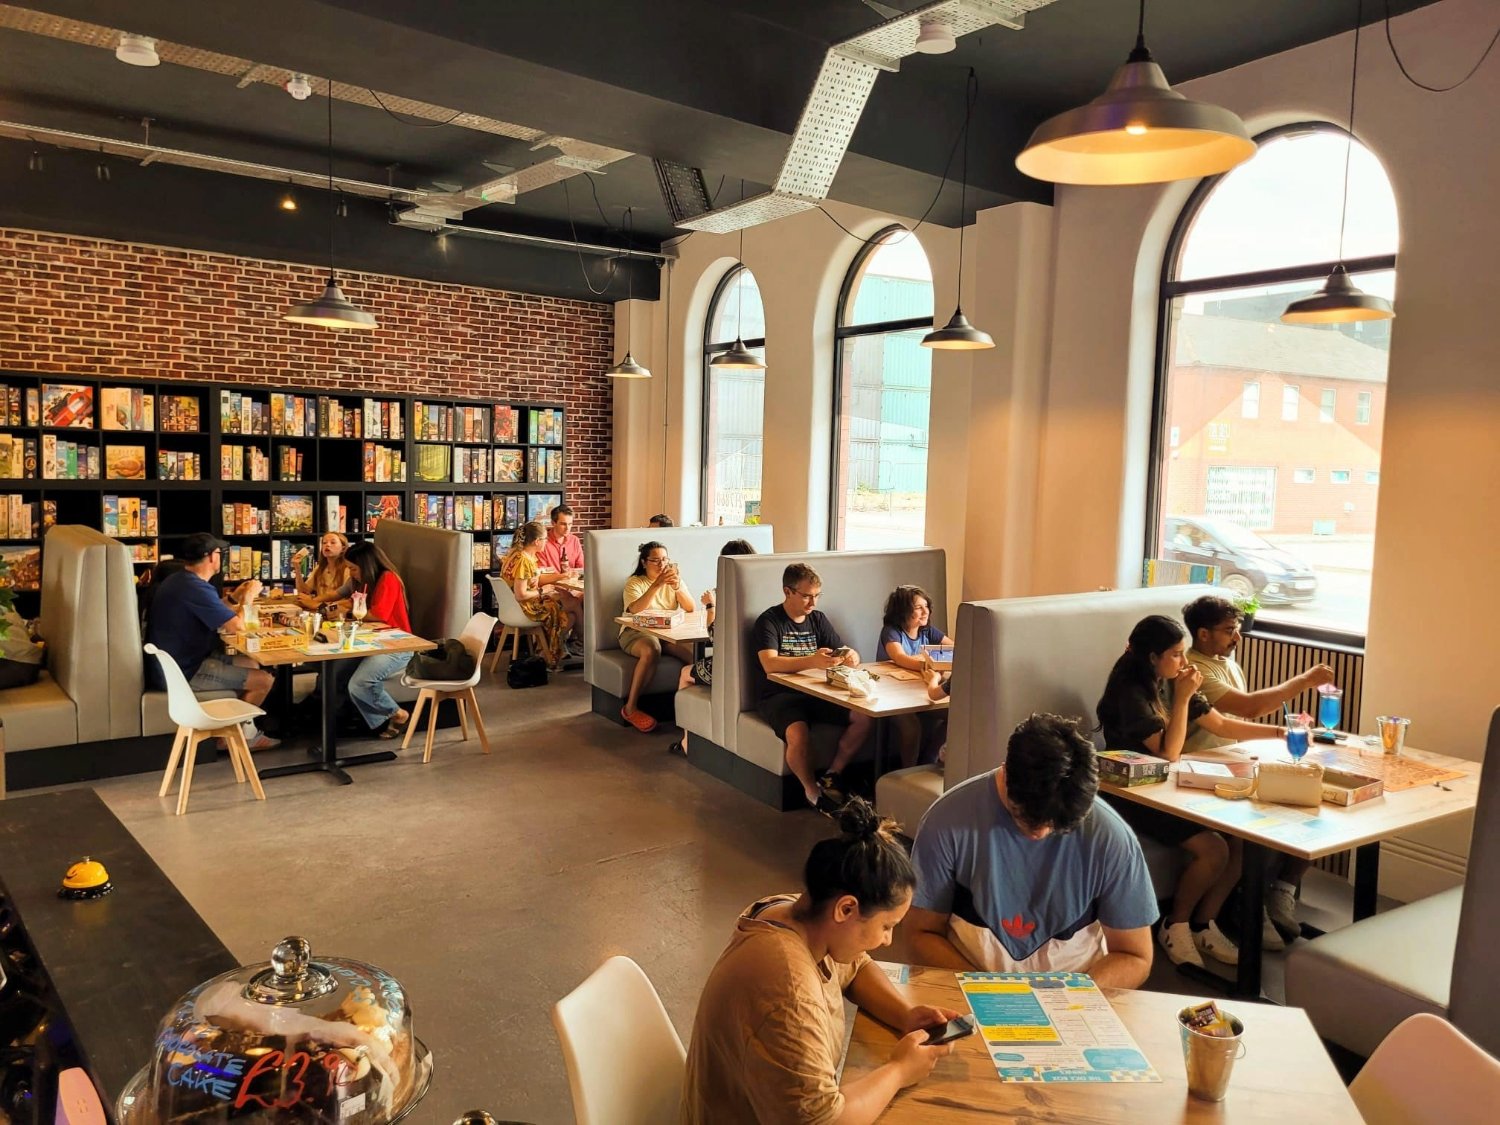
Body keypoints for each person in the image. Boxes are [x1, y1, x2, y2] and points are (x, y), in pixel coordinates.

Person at [681, 799, 956, 1125]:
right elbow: (826, 1121)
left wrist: (905, 1014)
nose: (888, 941)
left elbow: (857, 968)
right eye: (886, 926)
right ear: (845, 909)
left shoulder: (792, 913)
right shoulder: (788, 992)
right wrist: (899, 1070)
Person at [904, 714, 1157, 984]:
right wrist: (983, 992)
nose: (1040, 834)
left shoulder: (1110, 836)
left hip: (1078, 995)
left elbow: (1134, 955)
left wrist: (1075, 998)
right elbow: (921, 933)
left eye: (1057, 826)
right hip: (967, 986)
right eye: (1024, 816)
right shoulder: (947, 820)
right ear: (1005, 773)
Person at [1096, 615, 1286, 968]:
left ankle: (1204, 923)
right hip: (1132, 794)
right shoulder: (1130, 693)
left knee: (1242, 841)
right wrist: (1182, 700)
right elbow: (1168, 753)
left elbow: (1221, 724)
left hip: (1170, 787)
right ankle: (1176, 924)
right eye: (1177, 654)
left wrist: (1278, 733)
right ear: (1152, 657)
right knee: (1213, 850)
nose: (1185, 663)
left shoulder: (1173, 680)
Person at [1183, 594, 1334, 940]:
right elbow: (1248, 709)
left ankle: (1280, 892)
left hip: (1235, 763)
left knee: (1308, 803)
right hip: (1204, 769)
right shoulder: (1196, 671)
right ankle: (1237, 914)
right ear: (1203, 634)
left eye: (1237, 629)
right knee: (1257, 825)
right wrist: (1304, 681)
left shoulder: (1228, 663)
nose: (1237, 638)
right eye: (1228, 631)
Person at [143, 532, 279, 749]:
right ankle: (233, 737)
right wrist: (248, 598)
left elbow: (215, 609)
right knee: (264, 681)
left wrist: (235, 597)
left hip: (180, 663)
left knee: (251, 663)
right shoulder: (194, 587)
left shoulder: (181, 581)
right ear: (211, 558)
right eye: (219, 553)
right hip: (184, 672)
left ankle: (245, 727)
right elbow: (238, 626)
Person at [755, 562, 871, 811]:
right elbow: (769, 664)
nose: (813, 603)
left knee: (863, 717)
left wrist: (852, 656)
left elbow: (843, 648)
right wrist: (812, 661)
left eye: (817, 596)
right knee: (798, 733)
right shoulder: (769, 621)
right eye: (807, 596)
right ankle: (812, 792)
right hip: (779, 696)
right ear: (788, 591)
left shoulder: (818, 619)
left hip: (818, 693)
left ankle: (833, 774)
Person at [667, 538, 757, 757]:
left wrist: (710, 605)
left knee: (685, 673)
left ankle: (687, 739)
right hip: (757, 663)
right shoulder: (758, 585)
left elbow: (716, 637)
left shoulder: (728, 593)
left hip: (733, 667)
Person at [335, 541, 412, 739]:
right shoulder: (367, 581)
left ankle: (397, 714)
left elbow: (379, 615)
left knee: (360, 684)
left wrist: (348, 613)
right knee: (335, 673)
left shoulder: (388, 579)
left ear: (366, 565)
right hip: (374, 639)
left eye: (353, 568)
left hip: (398, 643)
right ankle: (354, 719)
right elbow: (354, 604)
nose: (351, 573)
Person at [619, 541, 697, 732]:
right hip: (636, 632)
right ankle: (630, 708)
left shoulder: (675, 580)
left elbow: (690, 608)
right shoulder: (635, 583)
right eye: (655, 560)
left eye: (665, 560)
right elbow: (635, 610)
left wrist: (677, 587)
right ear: (644, 563)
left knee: (695, 656)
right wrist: (657, 584)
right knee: (652, 649)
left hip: (667, 633)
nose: (662, 565)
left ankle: (692, 709)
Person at [879, 585, 953, 767]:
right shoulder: (891, 631)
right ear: (903, 610)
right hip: (894, 696)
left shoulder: (928, 631)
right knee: (911, 728)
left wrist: (939, 662)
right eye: (918, 607)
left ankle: (929, 759)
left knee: (954, 715)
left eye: (926, 606)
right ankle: (908, 770)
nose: (925, 611)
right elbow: (899, 657)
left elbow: (954, 648)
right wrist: (927, 664)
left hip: (922, 692)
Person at [500, 521, 569, 670]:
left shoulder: (516, 556)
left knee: (571, 610)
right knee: (570, 605)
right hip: (525, 608)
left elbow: (532, 581)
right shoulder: (524, 562)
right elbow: (521, 594)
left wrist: (561, 577)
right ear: (537, 541)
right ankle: (549, 653)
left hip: (512, 608)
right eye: (545, 539)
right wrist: (543, 591)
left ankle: (547, 652)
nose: (546, 542)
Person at [537, 504, 585, 654]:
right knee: (574, 603)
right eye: (563, 524)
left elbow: (581, 567)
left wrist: (575, 575)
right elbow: (542, 576)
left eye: (570, 524)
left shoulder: (574, 541)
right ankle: (582, 642)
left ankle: (570, 642)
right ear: (553, 523)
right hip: (551, 589)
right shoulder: (543, 543)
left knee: (588, 599)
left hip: (571, 587)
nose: (567, 528)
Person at [292, 531, 356, 613]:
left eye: (333, 542)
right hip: (319, 610)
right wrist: (297, 568)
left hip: (337, 612)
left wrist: (313, 602)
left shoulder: (348, 569)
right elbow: (304, 593)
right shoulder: (320, 568)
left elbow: (346, 600)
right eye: (324, 543)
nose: (327, 545)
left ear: (343, 548)